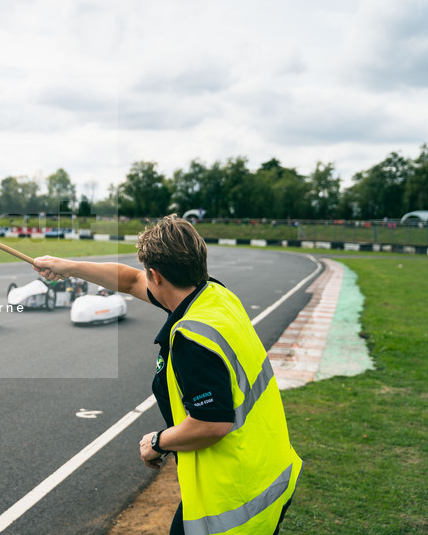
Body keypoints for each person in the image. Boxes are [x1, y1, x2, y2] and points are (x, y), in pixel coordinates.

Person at [33, 215, 302, 535]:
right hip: (268, 470)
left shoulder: (192, 339)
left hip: (234, 502)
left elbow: (212, 423)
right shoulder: (214, 295)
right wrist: (68, 266)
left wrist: (158, 442)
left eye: (147, 273)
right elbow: (132, 281)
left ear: (156, 275)